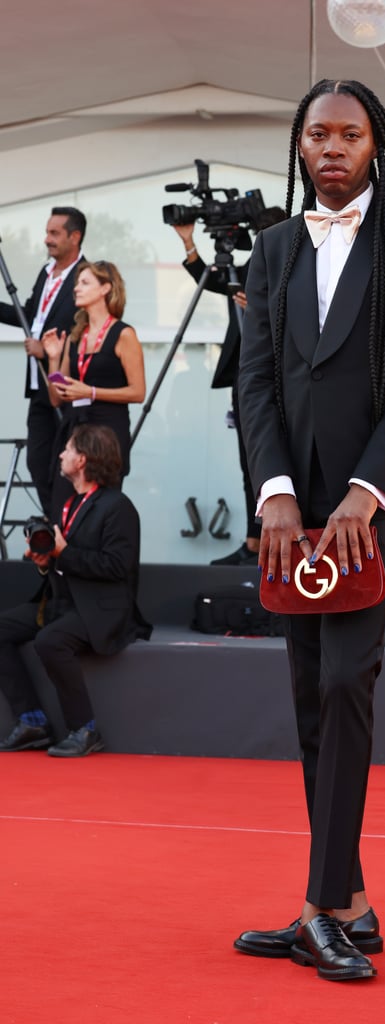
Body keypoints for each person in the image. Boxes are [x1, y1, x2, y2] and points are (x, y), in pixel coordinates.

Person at [233, 80, 385, 981]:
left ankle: (318, 907)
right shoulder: (276, 248)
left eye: (349, 134)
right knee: (306, 691)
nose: (332, 147)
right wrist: (276, 492)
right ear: (299, 147)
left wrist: (367, 493)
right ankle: (349, 903)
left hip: (370, 507)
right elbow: (256, 381)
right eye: (317, 134)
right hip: (293, 510)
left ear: (375, 143)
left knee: (343, 683)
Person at [0, 423, 152, 757]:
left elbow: (117, 567)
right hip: (62, 602)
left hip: (101, 608)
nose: (60, 454)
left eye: (67, 449)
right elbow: (61, 560)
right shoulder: (69, 504)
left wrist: (62, 553)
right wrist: (45, 560)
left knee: (50, 641)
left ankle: (85, 728)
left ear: (82, 460)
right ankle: (32, 720)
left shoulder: (118, 507)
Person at [171, 206, 286, 567]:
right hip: (244, 374)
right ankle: (254, 542)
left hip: (281, 377)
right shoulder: (253, 265)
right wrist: (189, 244)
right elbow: (214, 281)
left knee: (272, 461)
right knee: (248, 461)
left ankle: (271, 541)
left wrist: (262, 308)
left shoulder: (295, 265)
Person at [41, 260, 146, 518]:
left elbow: (138, 392)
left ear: (105, 289)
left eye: (85, 282)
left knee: (100, 510)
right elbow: (56, 398)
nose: (76, 288)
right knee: (62, 503)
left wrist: (91, 392)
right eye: (78, 282)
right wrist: (53, 358)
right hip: (75, 429)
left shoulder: (123, 334)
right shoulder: (76, 336)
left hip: (108, 433)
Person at [0, 207, 87, 514]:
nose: (47, 240)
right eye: (47, 232)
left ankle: (64, 529)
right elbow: (30, 316)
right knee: (37, 460)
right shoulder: (46, 272)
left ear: (74, 237)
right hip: (40, 385)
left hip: (66, 386)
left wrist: (49, 350)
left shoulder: (86, 276)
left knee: (62, 465)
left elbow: (83, 328)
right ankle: (53, 528)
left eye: (54, 233)